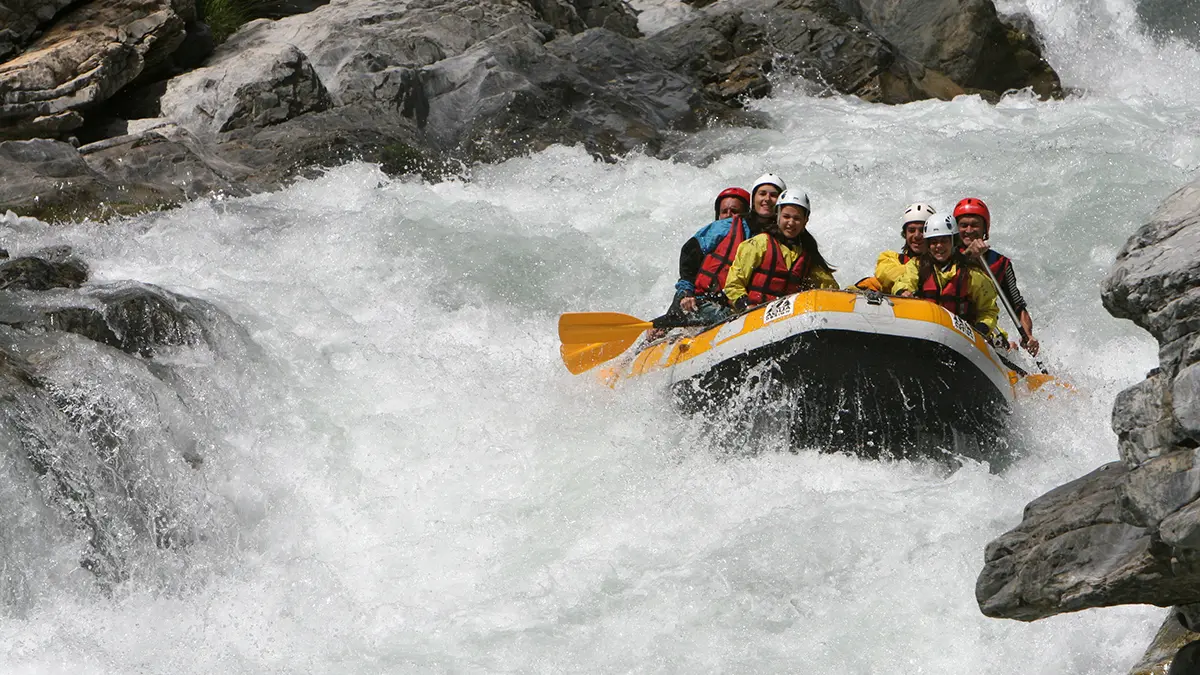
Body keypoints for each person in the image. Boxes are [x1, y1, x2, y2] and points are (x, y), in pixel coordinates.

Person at [671, 173, 788, 324]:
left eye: (773, 195)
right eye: (762, 193)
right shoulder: (726, 226)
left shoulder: (787, 236)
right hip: (710, 303)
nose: (767, 199)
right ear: (754, 199)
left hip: (753, 307)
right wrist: (685, 294)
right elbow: (690, 254)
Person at [723, 189, 839, 311]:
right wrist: (746, 306)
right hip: (750, 313)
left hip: (785, 318)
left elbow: (829, 288)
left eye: (797, 218)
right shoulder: (758, 244)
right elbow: (733, 285)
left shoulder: (807, 254)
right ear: (777, 216)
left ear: (805, 221)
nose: (791, 223)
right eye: (786, 217)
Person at [954, 198, 1040, 356]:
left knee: (1005, 345)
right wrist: (968, 256)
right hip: (951, 318)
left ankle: (1009, 350)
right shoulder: (945, 253)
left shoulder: (1000, 263)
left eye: (975, 225)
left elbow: (1017, 306)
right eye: (963, 225)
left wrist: (1028, 336)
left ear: (985, 229)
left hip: (982, 325)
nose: (969, 230)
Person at [893, 213, 999, 339]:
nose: (939, 246)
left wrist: (981, 328)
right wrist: (903, 291)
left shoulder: (971, 273)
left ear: (953, 242)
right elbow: (904, 281)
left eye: (944, 241)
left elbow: (988, 310)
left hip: (961, 336)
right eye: (934, 242)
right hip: (925, 328)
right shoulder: (917, 265)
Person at [855, 202, 935, 293]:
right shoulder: (889, 258)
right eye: (911, 230)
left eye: (922, 230)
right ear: (905, 234)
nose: (917, 235)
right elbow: (886, 274)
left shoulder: (942, 265)